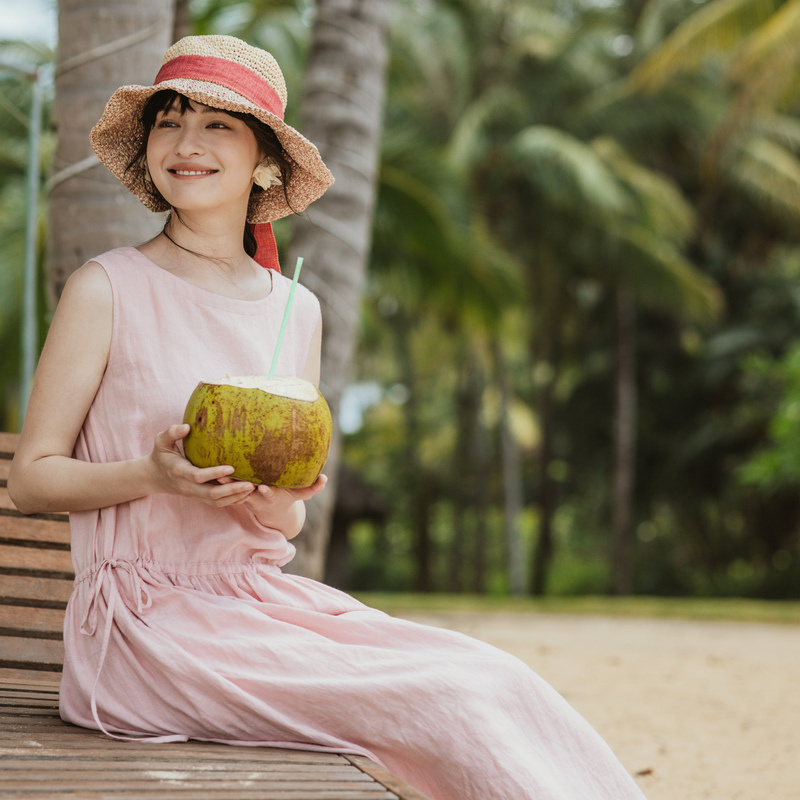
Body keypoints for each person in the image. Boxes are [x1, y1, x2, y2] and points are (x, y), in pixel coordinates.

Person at [8, 35, 648, 800]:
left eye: (219, 126)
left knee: (495, 677)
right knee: (445, 700)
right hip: (144, 634)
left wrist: (278, 503)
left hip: (260, 606)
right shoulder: (106, 288)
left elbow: (283, 526)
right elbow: (32, 480)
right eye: (170, 121)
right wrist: (153, 475)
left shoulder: (295, 310)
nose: (186, 143)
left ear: (265, 162)